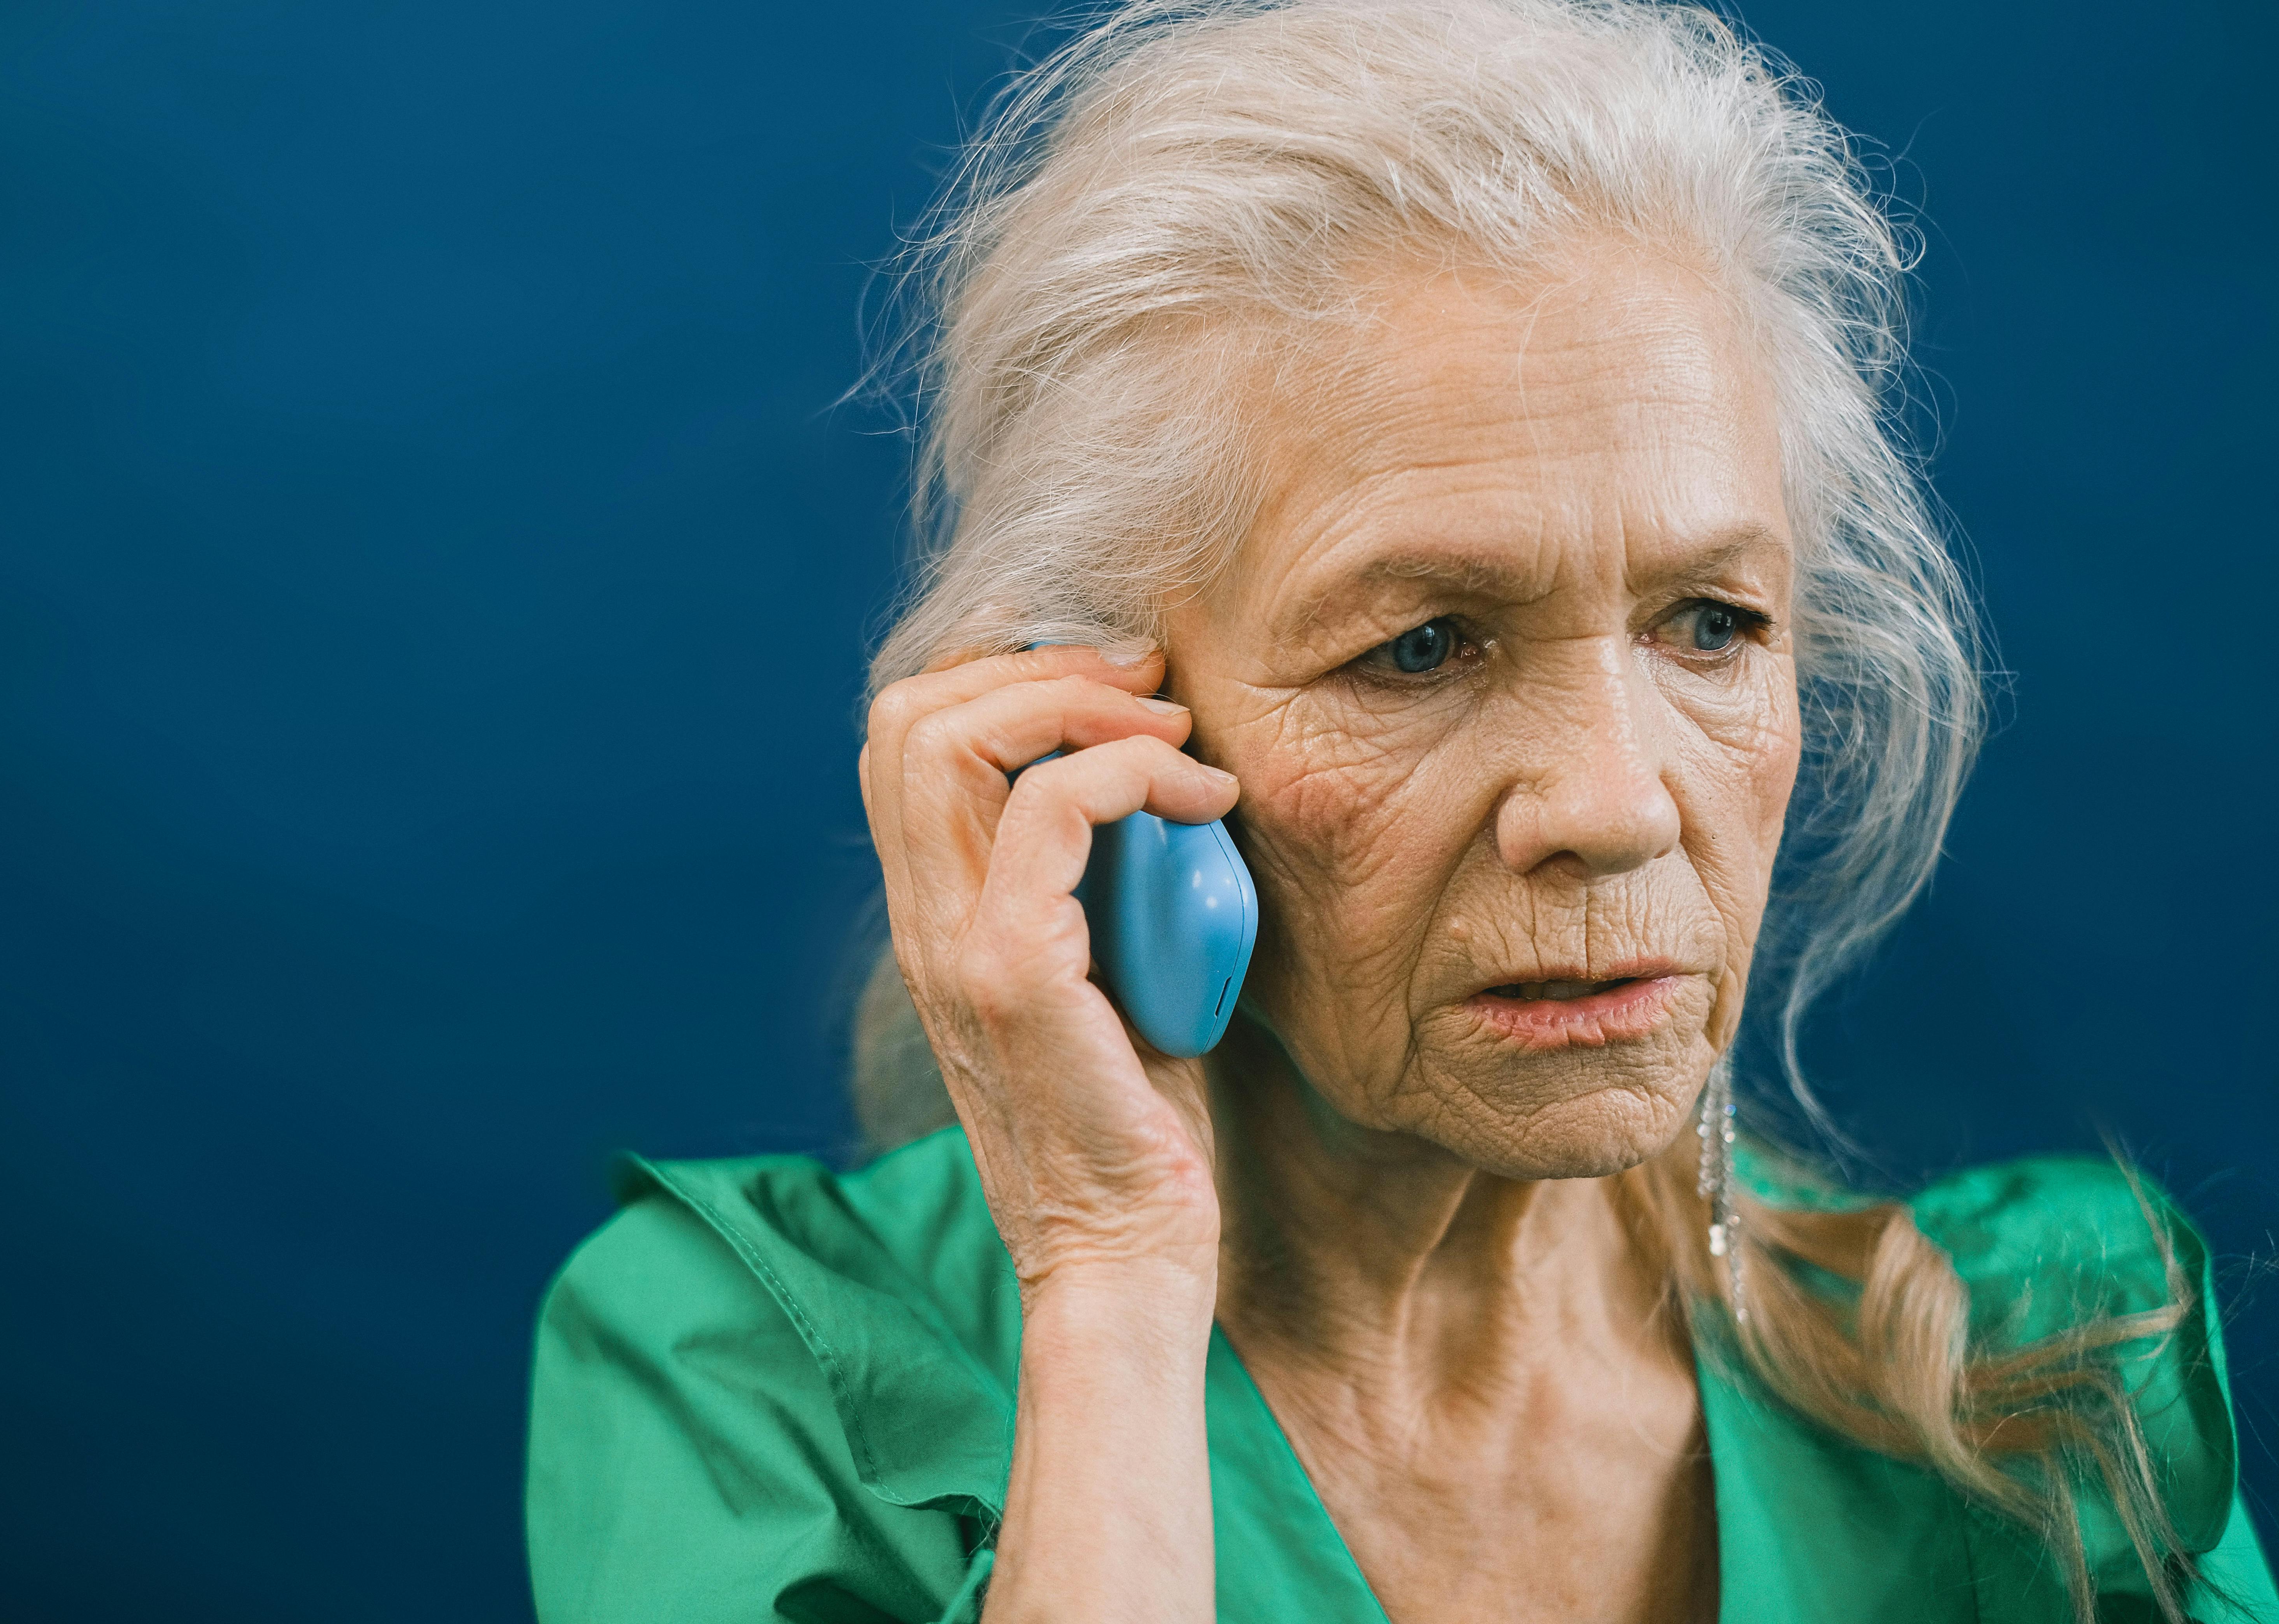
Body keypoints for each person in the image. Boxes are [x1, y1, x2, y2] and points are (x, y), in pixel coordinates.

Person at [523, 1, 2277, 1619]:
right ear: (1096, 746)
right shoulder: (740, 1376)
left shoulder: (2050, 1364)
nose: (1613, 803)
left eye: (1713, 623)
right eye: (1421, 645)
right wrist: (1115, 1282)